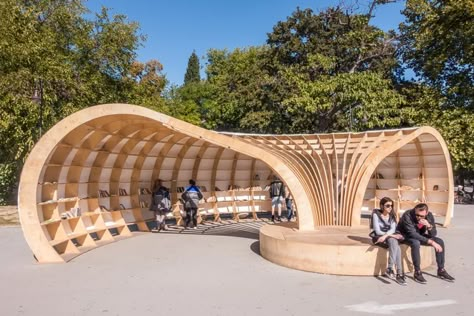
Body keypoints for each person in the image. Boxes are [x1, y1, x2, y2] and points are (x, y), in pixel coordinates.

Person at [397, 203, 455, 284]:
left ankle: (441, 270)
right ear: (414, 210)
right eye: (417, 215)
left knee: (439, 241)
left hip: (420, 235)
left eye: (421, 216)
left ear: (426, 213)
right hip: (405, 235)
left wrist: (428, 226)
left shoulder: (429, 215)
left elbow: (433, 234)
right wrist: (431, 242)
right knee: (416, 243)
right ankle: (417, 272)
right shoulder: (408, 215)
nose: (419, 217)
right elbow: (412, 234)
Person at [369, 197, 406, 285]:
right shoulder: (376, 214)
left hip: (387, 237)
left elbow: (393, 229)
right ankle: (398, 274)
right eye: (388, 206)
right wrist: (390, 235)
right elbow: (377, 231)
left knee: (394, 243)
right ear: (382, 206)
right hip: (378, 237)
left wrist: (387, 235)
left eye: (391, 205)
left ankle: (390, 269)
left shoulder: (392, 215)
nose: (390, 207)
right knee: (395, 244)